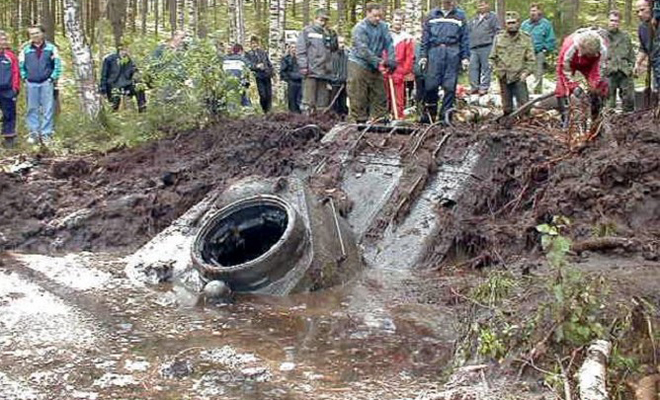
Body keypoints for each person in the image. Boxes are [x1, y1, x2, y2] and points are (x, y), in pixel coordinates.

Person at [418, 0, 469, 124]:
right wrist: (423, 55)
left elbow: (465, 38)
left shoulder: (460, 16)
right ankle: (429, 116)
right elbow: (425, 37)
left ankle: (445, 118)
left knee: (450, 87)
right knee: (431, 85)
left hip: (453, 52)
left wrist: (465, 57)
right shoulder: (431, 15)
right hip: (434, 52)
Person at [347, 2, 396, 123]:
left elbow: (389, 43)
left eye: (380, 16)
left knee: (380, 94)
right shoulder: (359, 28)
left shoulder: (383, 27)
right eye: (375, 16)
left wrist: (391, 59)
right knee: (358, 95)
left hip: (375, 64)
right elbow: (363, 50)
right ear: (367, 13)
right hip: (359, 63)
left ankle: (379, 119)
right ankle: (358, 121)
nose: (378, 18)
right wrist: (379, 62)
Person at [555, 28, 609, 128]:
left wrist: (594, 85)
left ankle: (596, 120)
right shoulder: (569, 47)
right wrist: (573, 86)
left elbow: (600, 69)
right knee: (562, 88)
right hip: (571, 62)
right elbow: (564, 70)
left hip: (592, 64)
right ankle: (565, 121)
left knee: (600, 87)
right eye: (587, 54)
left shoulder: (603, 49)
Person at [19, 24, 61, 145]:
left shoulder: (51, 48)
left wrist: (52, 77)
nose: (35, 36)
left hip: (46, 82)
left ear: (42, 33)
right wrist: (24, 77)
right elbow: (21, 66)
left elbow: (57, 65)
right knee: (32, 108)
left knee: (48, 108)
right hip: (31, 83)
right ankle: (34, 133)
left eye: (37, 33)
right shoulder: (25, 49)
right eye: (32, 34)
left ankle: (46, 134)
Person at [489, 11, 535, 116]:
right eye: (509, 23)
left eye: (514, 22)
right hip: (504, 76)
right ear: (505, 24)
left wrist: (526, 73)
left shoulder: (526, 38)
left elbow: (531, 59)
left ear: (518, 23)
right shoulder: (499, 38)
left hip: (519, 76)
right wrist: (496, 71)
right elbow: (492, 58)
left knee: (524, 106)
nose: (511, 25)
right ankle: (509, 127)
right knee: (507, 108)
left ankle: (525, 126)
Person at [296, 8, 338, 112]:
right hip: (311, 71)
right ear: (315, 19)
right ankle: (306, 123)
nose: (323, 23)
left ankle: (321, 123)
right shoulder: (307, 31)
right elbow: (301, 50)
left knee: (323, 103)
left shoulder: (329, 33)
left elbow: (334, 49)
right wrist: (303, 66)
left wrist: (333, 37)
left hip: (325, 72)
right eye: (321, 20)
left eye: (326, 20)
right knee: (308, 102)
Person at [383, 9, 414, 120]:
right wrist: (383, 66)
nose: (398, 22)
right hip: (385, 69)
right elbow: (381, 52)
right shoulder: (385, 35)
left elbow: (409, 57)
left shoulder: (407, 38)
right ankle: (384, 117)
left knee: (399, 97)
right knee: (384, 95)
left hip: (399, 71)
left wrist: (403, 71)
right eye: (396, 20)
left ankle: (398, 116)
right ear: (392, 20)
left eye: (400, 20)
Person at [99, 44, 146, 112]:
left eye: (127, 50)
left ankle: (143, 111)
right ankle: (113, 115)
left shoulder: (128, 60)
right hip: (113, 85)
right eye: (124, 49)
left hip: (126, 84)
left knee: (139, 89)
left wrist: (137, 75)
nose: (125, 51)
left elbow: (134, 71)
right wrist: (103, 88)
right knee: (114, 102)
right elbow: (104, 74)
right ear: (120, 50)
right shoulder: (109, 59)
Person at [521, 3, 556, 94]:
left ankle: (536, 95)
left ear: (539, 12)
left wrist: (545, 49)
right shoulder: (525, 24)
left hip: (538, 53)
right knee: (522, 74)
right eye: (531, 11)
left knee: (538, 74)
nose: (533, 13)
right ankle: (524, 93)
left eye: (535, 11)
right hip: (525, 54)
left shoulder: (546, 24)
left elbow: (551, 39)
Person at [468, 0, 500, 95]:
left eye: (483, 4)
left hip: (487, 45)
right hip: (473, 47)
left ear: (488, 5)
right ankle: (474, 87)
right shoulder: (474, 18)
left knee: (486, 67)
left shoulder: (492, 17)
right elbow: (468, 31)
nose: (481, 6)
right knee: (473, 67)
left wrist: (495, 46)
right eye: (479, 4)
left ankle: (484, 87)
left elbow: (497, 32)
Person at [606, 10, 635, 112]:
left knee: (629, 100)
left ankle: (628, 121)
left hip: (624, 70)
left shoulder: (625, 37)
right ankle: (607, 123)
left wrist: (631, 67)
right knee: (608, 102)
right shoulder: (603, 36)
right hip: (608, 71)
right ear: (608, 21)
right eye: (612, 20)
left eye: (617, 21)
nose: (614, 23)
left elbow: (631, 54)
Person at [634, 0, 660, 93]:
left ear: (651, 8)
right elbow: (643, 48)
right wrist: (638, 63)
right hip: (656, 67)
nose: (640, 14)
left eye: (642, 10)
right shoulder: (642, 28)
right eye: (637, 12)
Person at [0, 31, 19, 148]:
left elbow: (16, 72)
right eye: (1, 40)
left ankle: (9, 139)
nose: (3, 42)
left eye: (4, 39)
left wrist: (15, 88)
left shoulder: (10, 56)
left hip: (7, 90)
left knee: (9, 114)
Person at [246, 36, 274, 114]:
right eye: (252, 43)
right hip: (258, 76)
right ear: (250, 45)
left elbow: (268, 63)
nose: (254, 45)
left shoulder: (263, 52)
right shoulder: (248, 54)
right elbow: (248, 65)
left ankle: (268, 111)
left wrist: (271, 72)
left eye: (255, 43)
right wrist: (256, 66)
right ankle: (264, 109)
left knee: (269, 95)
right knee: (263, 95)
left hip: (266, 75)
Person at [222, 43, 252, 108]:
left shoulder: (224, 59)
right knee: (244, 96)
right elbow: (250, 67)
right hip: (240, 81)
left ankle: (230, 112)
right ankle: (248, 110)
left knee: (229, 97)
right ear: (240, 51)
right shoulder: (242, 59)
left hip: (227, 82)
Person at [280, 43, 303, 113]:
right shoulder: (286, 59)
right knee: (292, 100)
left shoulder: (301, 59)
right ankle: (293, 114)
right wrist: (288, 78)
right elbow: (283, 71)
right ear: (289, 49)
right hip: (292, 82)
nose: (294, 49)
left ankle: (300, 115)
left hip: (301, 81)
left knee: (300, 100)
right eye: (292, 47)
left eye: (295, 47)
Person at [330, 36, 349, 116]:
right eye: (340, 42)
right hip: (333, 83)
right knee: (333, 104)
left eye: (343, 42)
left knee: (343, 103)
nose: (342, 45)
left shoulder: (347, 54)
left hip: (344, 83)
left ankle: (343, 117)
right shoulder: (331, 55)